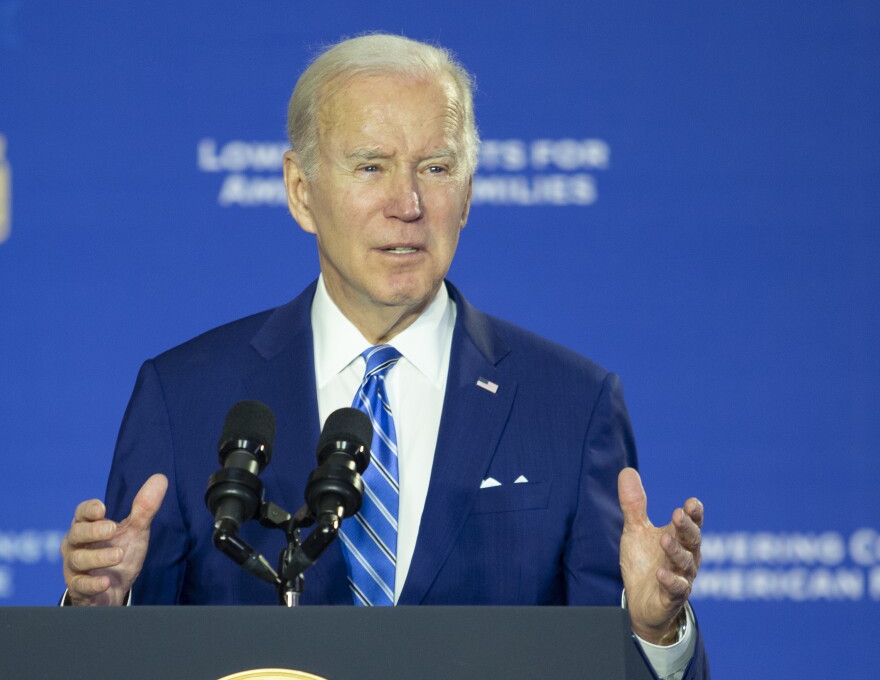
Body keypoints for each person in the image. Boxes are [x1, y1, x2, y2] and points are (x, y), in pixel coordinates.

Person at [60, 34, 708, 679]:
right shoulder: (184, 397)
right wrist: (101, 615)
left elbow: (601, 665)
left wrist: (654, 631)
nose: (408, 205)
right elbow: (125, 657)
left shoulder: (570, 404)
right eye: (371, 166)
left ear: (470, 192)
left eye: (435, 167)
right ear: (300, 191)